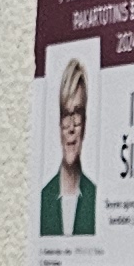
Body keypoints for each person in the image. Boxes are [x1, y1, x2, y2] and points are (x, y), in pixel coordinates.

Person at [40, 55, 97, 235]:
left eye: (77, 114)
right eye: (66, 114)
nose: (71, 127)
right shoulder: (43, 198)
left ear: (85, 122)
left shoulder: (95, 197)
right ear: (59, 122)